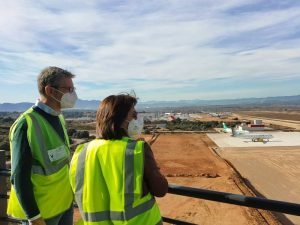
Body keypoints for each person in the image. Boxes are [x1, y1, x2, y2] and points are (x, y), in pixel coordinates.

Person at [70, 94, 168, 225]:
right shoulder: (136, 149)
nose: (136, 119)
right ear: (119, 119)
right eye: (133, 115)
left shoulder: (82, 151)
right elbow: (160, 190)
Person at [7, 66, 78, 225]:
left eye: (73, 89)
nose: (73, 94)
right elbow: (19, 176)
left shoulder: (58, 118)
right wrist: (34, 217)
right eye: (68, 89)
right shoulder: (26, 124)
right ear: (50, 91)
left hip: (64, 204)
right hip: (42, 215)